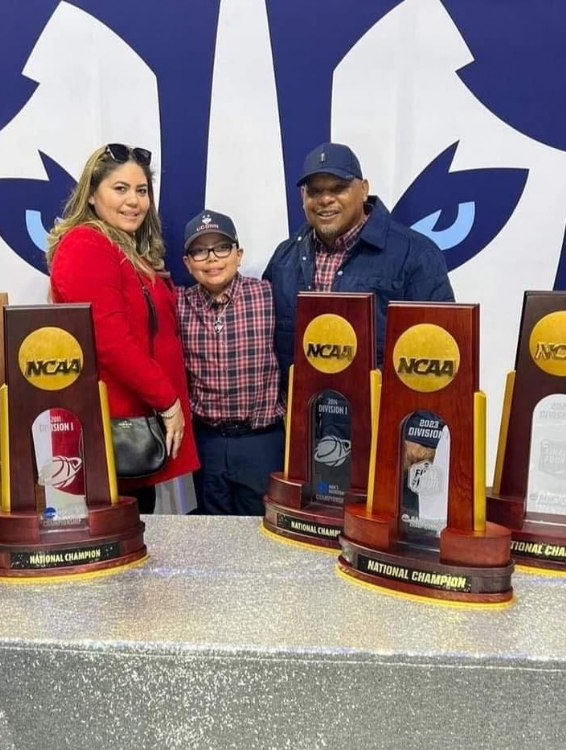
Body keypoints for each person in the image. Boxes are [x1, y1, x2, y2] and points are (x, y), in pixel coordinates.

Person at [47, 144, 199, 513]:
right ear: (93, 195)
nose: (134, 201)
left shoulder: (127, 250)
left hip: (135, 427)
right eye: (120, 189)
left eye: (142, 190)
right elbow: (110, 340)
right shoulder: (86, 245)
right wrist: (167, 402)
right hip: (116, 433)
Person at [263, 142, 455, 380]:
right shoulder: (284, 258)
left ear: (363, 189)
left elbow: (439, 353)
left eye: (338, 188)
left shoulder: (416, 255)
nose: (325, 199)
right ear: (303, 196)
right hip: (300, 413)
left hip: (376, 414)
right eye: (314, 191)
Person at [176, 210, 284, 515]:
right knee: (213, 532)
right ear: (187, 262)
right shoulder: (178, 303)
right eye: (200, 250)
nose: (212, 258)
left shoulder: (268, 295)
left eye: (222, 248)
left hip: (261, 440)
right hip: (208, 441)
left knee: (262, 529)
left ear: (239, 254)